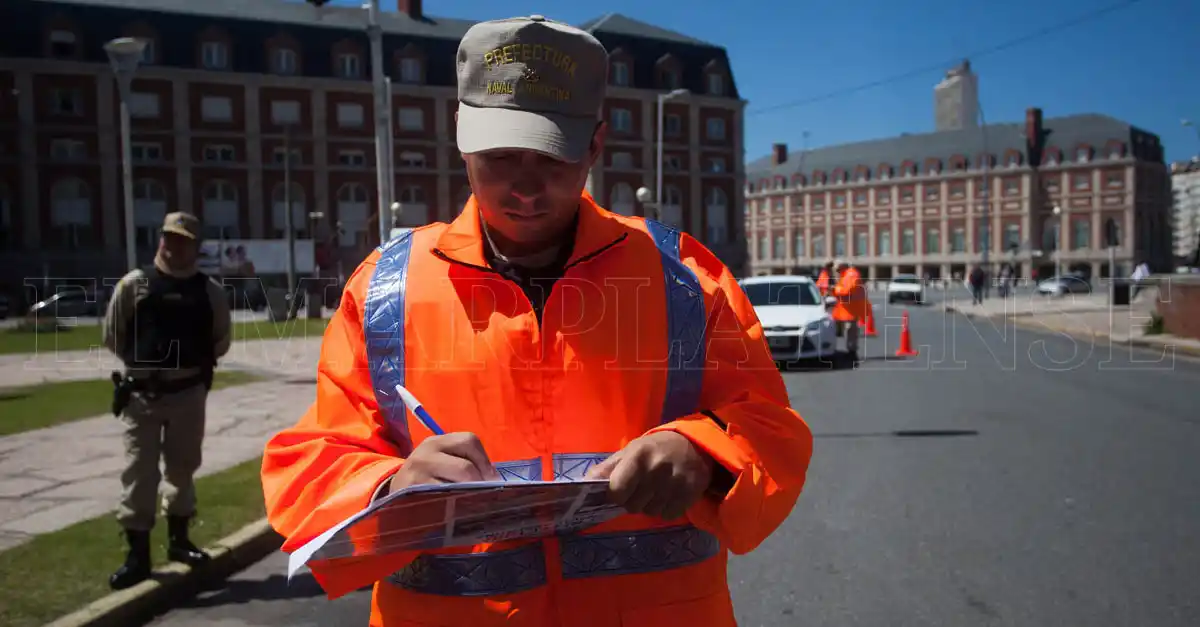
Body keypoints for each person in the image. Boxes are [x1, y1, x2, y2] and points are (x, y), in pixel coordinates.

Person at [260, 15, 813, 627]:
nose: (525, 189)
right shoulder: (386, 287)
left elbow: (769, 426)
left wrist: (703, 452)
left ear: (596, 146)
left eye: (553, 158)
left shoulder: (681, 276)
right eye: (499, 158)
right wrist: (390, 488)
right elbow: (317, 456)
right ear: (461, 137)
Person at [102, 212, 232, 590]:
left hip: (188, 393)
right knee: (139, 473)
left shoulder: (209, 292)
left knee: (183, 469)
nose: (173, 246)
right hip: (142, 396)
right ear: (160, 240)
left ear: (195, 246)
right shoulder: (135, 284)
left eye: (182, 240)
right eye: (168, 238)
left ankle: (179, 541)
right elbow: (114, 335)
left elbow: (220, 340)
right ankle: (137, 555)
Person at [830, 259, 865, 360]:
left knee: (850, 330)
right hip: (846, 310)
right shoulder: (845, 275)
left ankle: (852, 353)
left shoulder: (851, 275)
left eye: (836, 270)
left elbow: (847, 290)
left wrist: (835, 289)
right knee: (847, 331)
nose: (836, 272)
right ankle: (849, 351)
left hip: (851, 310)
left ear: (841, 267)